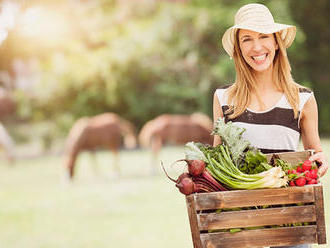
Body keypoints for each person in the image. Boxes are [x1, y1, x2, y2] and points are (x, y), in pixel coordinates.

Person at [213, 3, 328, 248]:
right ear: (238, 47)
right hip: (240, 222)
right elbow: (217, 159)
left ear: (276, 42)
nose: (257, 47)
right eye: (247, 39)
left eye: (263, 36)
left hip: (290, 220)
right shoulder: (223, 98)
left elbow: (313, 154)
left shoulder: (302, 99)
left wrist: (321, 161)